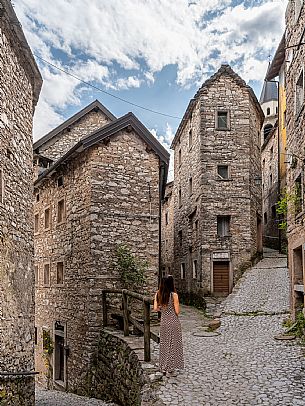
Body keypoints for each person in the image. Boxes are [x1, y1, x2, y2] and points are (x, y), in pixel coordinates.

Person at [153, 275, 184, 375]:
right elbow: (177, 311)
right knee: (173, 344)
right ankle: (170, 369)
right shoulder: (174, 295)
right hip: (174, 322)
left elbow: (155, 308)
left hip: (164, 322)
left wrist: (163, 309)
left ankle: (163, 367)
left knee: (164, 344)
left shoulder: (158, 294)